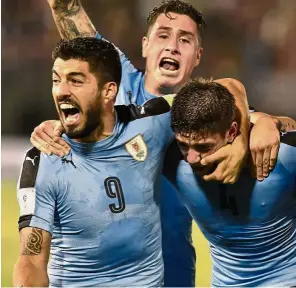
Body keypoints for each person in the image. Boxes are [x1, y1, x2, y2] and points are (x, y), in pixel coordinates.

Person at [29, 0, 296, 286]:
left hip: (174, 272)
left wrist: (267, 125)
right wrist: (62, 123)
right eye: (163, 35)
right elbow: (68, 13)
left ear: (197, 56)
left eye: (185, 39)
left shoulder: (206, 113)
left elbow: (250, 104)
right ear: (145, 45)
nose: (172, 46)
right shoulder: (117, 85)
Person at [13, 37, 175, 287]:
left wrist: (259, 122)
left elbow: (217, 95)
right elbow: (31, 260)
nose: (61, 91)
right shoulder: (43, 160)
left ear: (109, 91)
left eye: (76, 81)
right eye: (56, 80)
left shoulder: (151, 123)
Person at [170, 77, 296, 286]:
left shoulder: (284, 156)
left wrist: (270, 124)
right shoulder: (170, 159)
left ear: (231, 132)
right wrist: (266, 121)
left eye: (204, 147)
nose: (191, 158)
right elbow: (225, 86)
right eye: (183, 145)